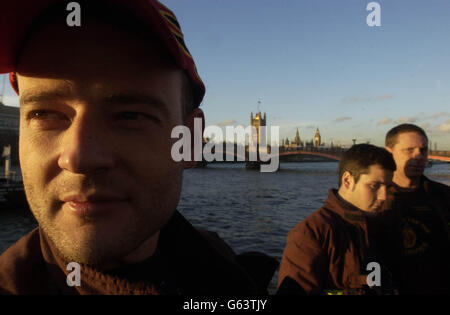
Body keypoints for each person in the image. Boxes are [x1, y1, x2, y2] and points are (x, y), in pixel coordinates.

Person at [0, 0, 277, 295]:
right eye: (44, 114)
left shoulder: (229, 272)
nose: (79, 157)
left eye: (131, 115)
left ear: (191, 141)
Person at [277, 144, 397, 295]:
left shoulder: (384, 223)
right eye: (374, 186)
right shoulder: (310, 234)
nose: (383, 197)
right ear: (347, 180)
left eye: (388, 187)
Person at [384, 123, 450, 294]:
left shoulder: (444, 196)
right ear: (388, 153)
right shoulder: (374, 200)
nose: (419, 156)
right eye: (409, 150)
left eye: (423, 150)